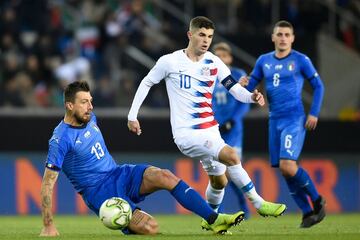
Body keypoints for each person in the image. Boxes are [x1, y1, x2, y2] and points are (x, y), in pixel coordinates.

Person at [127, 16, 286, 233]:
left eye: (210, 36)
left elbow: (233, 87)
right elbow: (147, 82)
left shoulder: (213, 61)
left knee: (220, 181)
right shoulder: (170, 61)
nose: (206, 40)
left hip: (210, 131)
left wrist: (252, 97)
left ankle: (209, 220)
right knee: (232, 155)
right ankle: (259, 203)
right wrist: (132, 116)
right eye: (202, 35)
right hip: (187, 134)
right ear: (190, 35)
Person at [39, 81, 245, 237]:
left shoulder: (90, 117)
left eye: (91, 101)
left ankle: (213, 219)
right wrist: (48, 224)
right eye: (84, 102)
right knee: (150, 227)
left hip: (118, 173)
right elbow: (47, 183)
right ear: (69, 106)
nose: (90, 106)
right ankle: (130, 222)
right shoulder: (60, 140)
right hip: (100, 193)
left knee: (165, 176)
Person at [241, 20, 326, 228]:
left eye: (287, 35)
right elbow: (251, 87)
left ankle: (317, 200)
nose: (283, 38)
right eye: (279, 34)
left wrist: (313, 113)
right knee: (284, 168)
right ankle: (307, 213)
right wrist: (243, 84)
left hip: (294, 119)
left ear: (293, 38)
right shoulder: (263, 61)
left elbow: (318, 86)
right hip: (274, 120)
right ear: (273, 37)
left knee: (288, 165)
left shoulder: (300, 60)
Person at [212, 42, 250, 218]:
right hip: (214, 130)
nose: (220, 59)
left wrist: (232, 121)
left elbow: (244, 101)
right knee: (217, 172)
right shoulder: (208, 75)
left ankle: (244, 205)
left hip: (233, 130)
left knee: (232, 170)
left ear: (229, 58)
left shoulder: (237, 75)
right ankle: (217, 212)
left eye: (223, 56)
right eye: (216, 56)